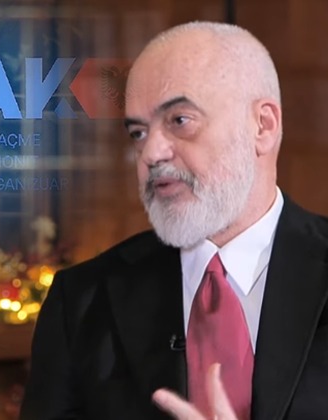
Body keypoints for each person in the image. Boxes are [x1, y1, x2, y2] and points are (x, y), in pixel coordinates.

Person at [20, 21, 328, 419]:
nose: (151, 153)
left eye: (180, 120)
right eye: (138, 133)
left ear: (263, 126)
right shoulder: (81, 301)